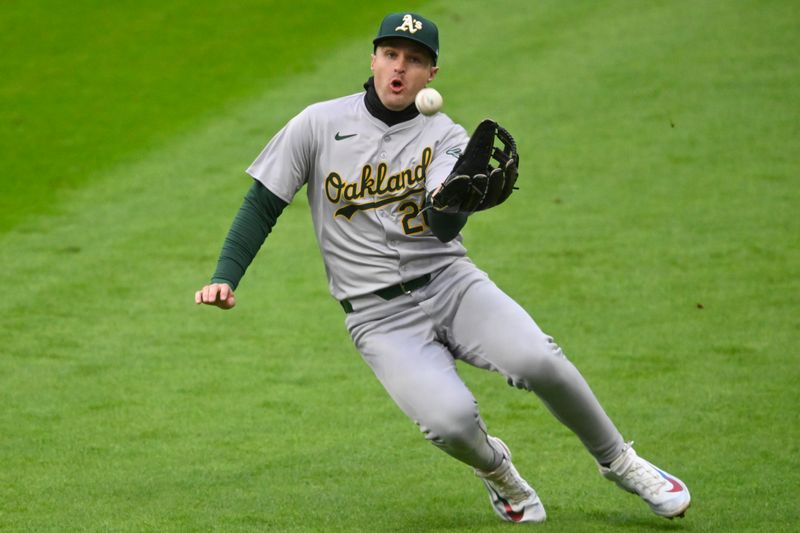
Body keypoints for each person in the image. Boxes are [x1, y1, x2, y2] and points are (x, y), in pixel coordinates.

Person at [195, 12, 691, 524]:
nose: (399, 69)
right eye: (391, 55)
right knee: (450, 423)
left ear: (431, 73)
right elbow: (262, 203)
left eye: (414, 61)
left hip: (453, 286)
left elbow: (445, 229)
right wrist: (224, 277)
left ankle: (620, 462)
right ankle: (499, 472)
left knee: (539, 361)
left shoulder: (445, 136)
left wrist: (452, 204)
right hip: (378, 317)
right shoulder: (317, 124)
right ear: (372, 58)